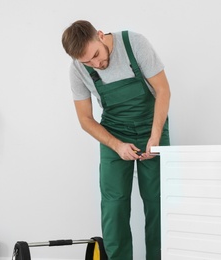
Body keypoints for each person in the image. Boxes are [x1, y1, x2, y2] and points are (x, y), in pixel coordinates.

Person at [62, 20, 171, 260]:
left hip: (152, 125)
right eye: (87, 62)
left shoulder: (134, 43)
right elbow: (85, 119)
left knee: (158, 202)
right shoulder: (77, 70)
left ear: (100, 36)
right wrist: (116, 145)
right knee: (114, 206)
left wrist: (155, 136)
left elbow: (163, 90)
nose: (96, 64)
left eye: (96, 55)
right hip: (113, 132)